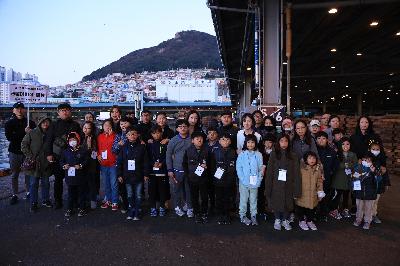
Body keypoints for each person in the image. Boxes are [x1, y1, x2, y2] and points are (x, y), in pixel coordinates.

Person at [44, 103, 82, 209]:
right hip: (58, 157)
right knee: (58, 180)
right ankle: (58, 201)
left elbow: (80, 140)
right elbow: (48, 141)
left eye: (66, 110)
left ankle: (74, 201)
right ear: (58, 112)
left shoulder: (75, 125)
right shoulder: (53, 125)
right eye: (62, 110)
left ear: (70, 111)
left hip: (73, 158)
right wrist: (49, 154)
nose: (64, 112)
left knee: (73, 181)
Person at [265, 134, 301, 231]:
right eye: (281, 141)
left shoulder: (293, 155)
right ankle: (277, 219)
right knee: (276, 201)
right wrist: (268, 187)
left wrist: (297, 188)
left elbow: (297, 173)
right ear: (278, 142)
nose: (284, 143)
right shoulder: (274, 154)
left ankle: (285, 219)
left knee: (288, 202)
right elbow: (269, 172)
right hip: (276, 184)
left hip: (289, 184)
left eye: (286, 141)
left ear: (289, 143)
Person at [5, 102, 36, 204]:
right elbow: (10, 138)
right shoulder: (9, 123)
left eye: (21, 108)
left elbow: (35, 138)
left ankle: (28, 192)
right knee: (14, 174)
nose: (19, 110)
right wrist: (24, 132)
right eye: (17, 108)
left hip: (27, 152)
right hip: (14, 152)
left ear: (24, 110)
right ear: (13, 110)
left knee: (28, 173)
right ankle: (15, 194)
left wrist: (30, 132)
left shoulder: (30, 123)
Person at [117, 126, 150, 221]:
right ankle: (132, 209)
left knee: (139, 194)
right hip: (127, 176)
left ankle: (137, 211)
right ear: (126, 136)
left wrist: (146, 174)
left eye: (134, 134)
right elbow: (119, 162)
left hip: (139, 175)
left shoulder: (142, 147)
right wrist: (119, 175)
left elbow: (145, 162)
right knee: (129, 194)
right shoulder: (123, 147)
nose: (132, 136)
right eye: (130, 134)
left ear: (137, 135)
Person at [21, 117, 52, 212]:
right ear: (39, 123)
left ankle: (45, 199)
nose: (45, 123)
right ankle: (33, 202)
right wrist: (30, 156)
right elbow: (23, 145)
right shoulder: (32, 132)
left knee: (46, 183)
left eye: (47, 122)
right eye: (43, 121)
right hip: (34, 163)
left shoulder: (51, 133)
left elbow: (55, 145)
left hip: (46, 163)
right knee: (33, 183)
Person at [183, 131, 212, 223]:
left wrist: (208, 168)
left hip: (204, 178)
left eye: (201, 138)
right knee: (194, 197)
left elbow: (212, 163)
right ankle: (196, 213)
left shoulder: (207, 150)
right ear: (192, 141)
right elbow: (184, 164)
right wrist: (188, 175)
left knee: (204, 197)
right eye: (197, 139)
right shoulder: (188, 150)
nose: (199, 140)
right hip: (192, 179)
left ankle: (204, 212)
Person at [166, 119, 193, 217]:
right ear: (177, 129)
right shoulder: (173, 140)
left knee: (189, 189)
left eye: (185, 126)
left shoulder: (192, 139)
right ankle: (177, 207)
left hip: (189, 170)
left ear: (188, 127)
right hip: (177, 170)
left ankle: (189, 207)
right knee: (176, 190)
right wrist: (170, 169)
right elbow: (168, 155)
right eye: (180, 127)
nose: (183, 128)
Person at [236, 135, 265, 226]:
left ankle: (253, 215)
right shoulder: (242, 154)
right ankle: (242, 215)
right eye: (248, 142)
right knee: (243, 199)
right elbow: (239, 168)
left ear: (255, 143)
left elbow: (261, 168)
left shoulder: (259, 154)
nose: (250, 144)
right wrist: (243, 180)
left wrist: (259, 179)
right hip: (243, 182)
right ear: (245, 143)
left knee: (253, 199)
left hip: (255, 182)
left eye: (252, 142)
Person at [211, 133, 237, 225]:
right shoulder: (215, 151)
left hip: (229, 180)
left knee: (227, 198)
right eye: (222, 139)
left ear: (230, 142)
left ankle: (227, 214)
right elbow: (212, 166)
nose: (225, 141)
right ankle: (220, 215)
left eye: (227, 140)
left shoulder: (233, 152)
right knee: (219, 198)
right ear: (219, 141)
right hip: (218, 180)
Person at [60, 132, 88, 217]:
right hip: (70, 177)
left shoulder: (83, 150)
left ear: (78, 140)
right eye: (71, 140)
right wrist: (64, 166)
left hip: (80, 176)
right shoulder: (65, 151)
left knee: (81, 193)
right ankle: (69, 208)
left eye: (74, 140)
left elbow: (86, 161)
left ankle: (82, 208)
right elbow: (61, 161)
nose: (72, 141)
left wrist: (80, 165)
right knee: (70, 193)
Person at [330, 137, 357, 220]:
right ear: (340, 145)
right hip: (338, 178)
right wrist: (347, 164)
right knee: (337, 195)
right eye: (343, 144)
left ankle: (345, 209)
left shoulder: (353, 154)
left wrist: (347, 165)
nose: (345, 146)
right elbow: (336, 165)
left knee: (346, 195)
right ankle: (334, 210)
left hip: (348, 179)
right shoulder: (337, 153)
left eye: (347, 144)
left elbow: (355, 165)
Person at [295, 151, 324, 231]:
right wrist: (295, 192)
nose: (312, 160)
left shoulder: (317, 170)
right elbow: (296, 181)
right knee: (301, 208)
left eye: (314, 158)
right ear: (305, 160)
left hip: (313, 195)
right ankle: (301, 221)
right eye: (310, 158)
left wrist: (320, 191)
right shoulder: (301, 169)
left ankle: (309, 220)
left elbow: (319, 181)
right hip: (302, 194)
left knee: (311, 209)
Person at [315, 131, 339, 221]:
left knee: (324, 196)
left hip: (327, 179)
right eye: (319, 138)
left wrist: (330, 173)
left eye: (323, 138)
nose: (321, 140)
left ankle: (323, 213)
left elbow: (336, 165)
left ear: (327, 140)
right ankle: (312, 213)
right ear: (316, 140)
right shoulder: (314, 151)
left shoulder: (332, 152)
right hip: (314, 179)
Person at [112, 117, 133, 213]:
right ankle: (125, 205)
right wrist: (119, 145)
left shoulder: (134, 134)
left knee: (133, 185)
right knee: (122, 186)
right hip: (121, 165)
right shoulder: (118, 136)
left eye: (125, 123)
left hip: (132, 165)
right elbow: (114, 151)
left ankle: (133, 205)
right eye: (121, 124)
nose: (123, 125)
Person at [147, 125, 169, 217]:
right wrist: (152, 164)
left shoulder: (165, 143)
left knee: (162, 191)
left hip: (163, 172)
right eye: (154, 133)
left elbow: (168, 156)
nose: (156, 135)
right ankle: (153, 207)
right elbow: (146, 157)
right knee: (151, 191)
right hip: (152, 173)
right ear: (151, 134)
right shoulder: (149, 144)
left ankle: (162, 207)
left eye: (158, 132)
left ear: (161, 133)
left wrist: (162, 163)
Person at [97, 119, 118, 211]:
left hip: (113, 164)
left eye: (109, 125)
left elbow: (116, 148)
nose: (107, 126)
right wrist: (98, 155)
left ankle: (115, 201)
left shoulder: (115, 136)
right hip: (103, 164)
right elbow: (98, 148)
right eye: (105, 125)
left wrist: (111, 135)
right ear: (102, 126)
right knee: (106, 184)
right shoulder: (100, 136)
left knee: (114, 184)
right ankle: (108, 200)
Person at [352, 156, 378, 230]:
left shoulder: (374, 169)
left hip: (370, 193)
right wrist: (358, 165)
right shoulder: (358, 168)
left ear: (371, 162)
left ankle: (367, 221)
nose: (366, 161)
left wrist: (374, 172)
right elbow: (353, 178)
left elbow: (378, 180)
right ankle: (358, 219)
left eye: (368, 160)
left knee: (368, 208)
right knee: (359, 207)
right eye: (364, 160)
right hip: (359, 193)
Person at [368, 142, 391, 224]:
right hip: (369, 185)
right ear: (370, 150)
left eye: (377, 149)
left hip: (378, 185)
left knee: (375, 201)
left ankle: (374, 215)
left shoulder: (382, 160)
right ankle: (366, 216)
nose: (375, 151)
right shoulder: (367, 160)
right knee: (368, 201)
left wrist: (386, 183)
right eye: (373, 149)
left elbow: (385, 173)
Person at [81, 121, 99, 210]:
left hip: (91, 165)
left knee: (92, 183)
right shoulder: (80, 137)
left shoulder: (93, 138)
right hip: (82, 165)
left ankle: (93, 201)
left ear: (92, 129)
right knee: (83, 183)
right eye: (84, 127)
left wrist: (89, 147)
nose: (86, 130)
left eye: (88, 128)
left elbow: (94, 154)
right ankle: (85, 200)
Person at [259, 133, 276, 220]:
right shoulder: (260, 151)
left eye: (270, 142)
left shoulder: (276, 152)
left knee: (271, 193)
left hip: (272, 176)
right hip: (262, 175)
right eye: (266, 142)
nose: (268, 144)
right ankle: (261, 210)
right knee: (261, 193)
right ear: (263, 142)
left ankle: (272, 209)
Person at [206, 126, 219, 214]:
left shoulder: (220, 144)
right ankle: (211, 206)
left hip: (218, 171)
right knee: (209, 190)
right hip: (207, 172)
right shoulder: (204, 144)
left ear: (217, 135)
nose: (212, 135)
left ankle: (218, 206)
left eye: (214, 133)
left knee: (217, 190)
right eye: (210, 133)